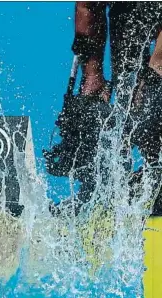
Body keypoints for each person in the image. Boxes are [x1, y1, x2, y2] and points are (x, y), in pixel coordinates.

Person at [44, 2, 161, 209]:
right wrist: (92, 75)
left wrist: (153, 80)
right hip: (131, 10)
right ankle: (146, 177)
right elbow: (87, 7)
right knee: (130, 96)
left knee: (152, 102)